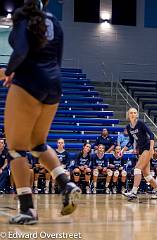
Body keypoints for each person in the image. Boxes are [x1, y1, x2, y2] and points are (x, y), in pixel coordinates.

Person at [0, 0, 80, 224]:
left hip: (29, 83)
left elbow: (21, 50)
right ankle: (66, 182)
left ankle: (28, 210)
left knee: (15, 149)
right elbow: (57, 60)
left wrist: (9, 72)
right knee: (37, 145)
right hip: (54, 85)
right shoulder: (55, 22)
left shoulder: (21, 17)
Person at [120, 107, 157, 200]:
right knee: (146, 174)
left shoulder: (140, 123)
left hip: (147, 147)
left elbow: (151, 135)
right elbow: (131, 141)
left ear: (137, 115)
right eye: (131, 113)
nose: (133, 114)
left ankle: (133, 192)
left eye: (134, 113)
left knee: (137, 169)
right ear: (128, 115)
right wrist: (123, 150)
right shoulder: (128, 127)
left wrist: (152, 148)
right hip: (141, 149)